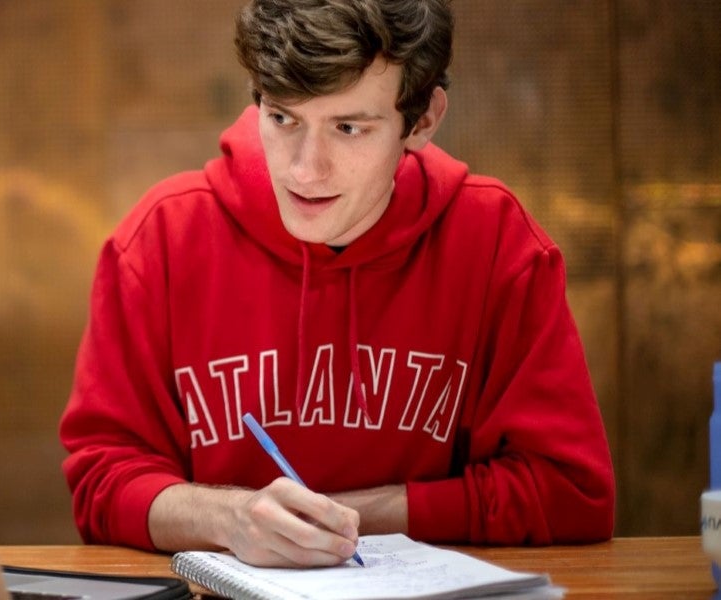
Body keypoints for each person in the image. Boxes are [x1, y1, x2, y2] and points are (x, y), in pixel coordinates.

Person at [58, 0, 616, 569]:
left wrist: (341, 521)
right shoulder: (160, 239)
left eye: (349, 128)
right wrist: (232, 519)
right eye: (283, 119)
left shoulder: (498, 243)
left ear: (422, 120)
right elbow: (102, 480)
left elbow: (570, 491)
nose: (305, 170)